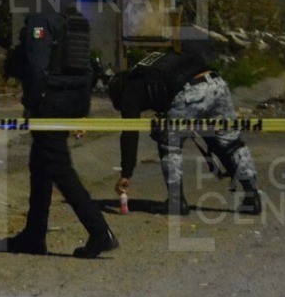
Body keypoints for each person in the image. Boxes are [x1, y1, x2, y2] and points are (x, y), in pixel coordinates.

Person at [4, 10, 118, 258]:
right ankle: (34, 235)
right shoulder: (74, 18)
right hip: (70, 98)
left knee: (58, 167)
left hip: (51, 102)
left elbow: (36, 66)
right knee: (41, 164)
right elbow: (85, 65)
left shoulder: (41, 20)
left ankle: (100, 232)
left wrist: (32, 102)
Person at [108, 50, 263, 216]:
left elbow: (130, 133)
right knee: (231, 142)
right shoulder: (148, 65)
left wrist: (126, 173)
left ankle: (176, 202)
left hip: (189, 91)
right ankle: (252, 197)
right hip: (217, 83)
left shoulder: (131, 87)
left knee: (169, 143)